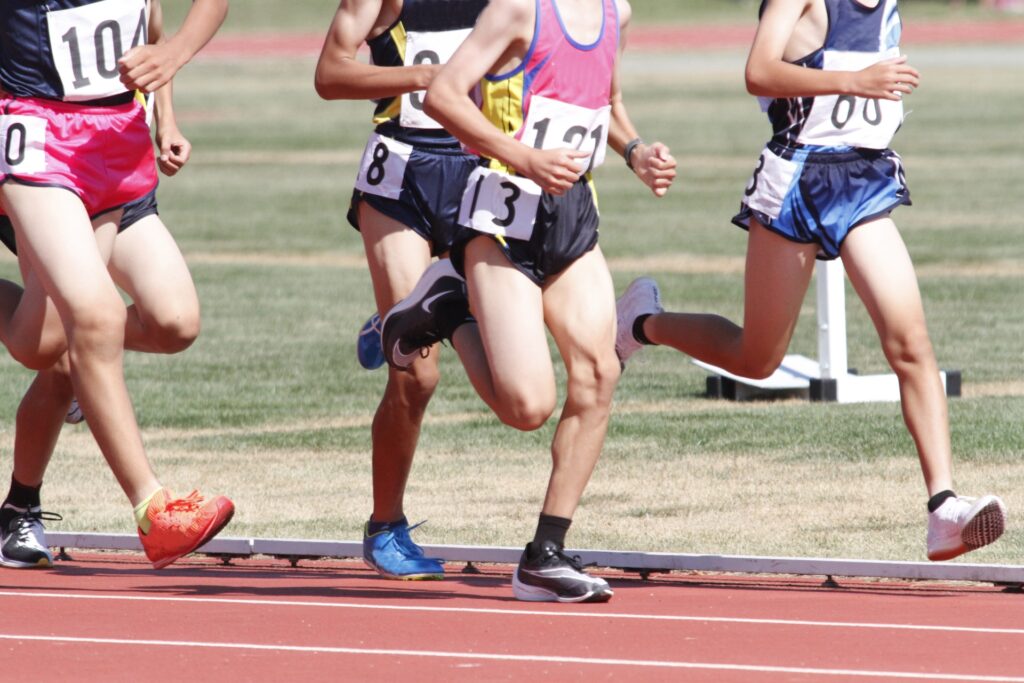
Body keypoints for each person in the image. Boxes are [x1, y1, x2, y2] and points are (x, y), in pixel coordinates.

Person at [615, 0, 1006, 562]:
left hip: (864, 179)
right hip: (797, 179)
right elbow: (758, 70)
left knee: (911, 343)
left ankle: (943, 507)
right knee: (757, 358)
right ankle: (642, 323)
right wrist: (855, 79)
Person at [382, 0, 676, 602]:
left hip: (570, 219)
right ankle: (454, 307)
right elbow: (443, 95)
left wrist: (635, 151)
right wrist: (525, 157)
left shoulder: (616, 15)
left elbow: (605, 107)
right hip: (500, 213)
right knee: (527, 407)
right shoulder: (518, 10)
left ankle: (545, 553)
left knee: (597, 373)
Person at [0, 0, 234, 570]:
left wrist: (167, 97)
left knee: (168, 323)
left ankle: (19, 504)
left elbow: (153, 24)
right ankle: (154, 511)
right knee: (96, 319)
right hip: (40, 141)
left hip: (117, 145)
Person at [314, 0, 489, 580]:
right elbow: (330, 74)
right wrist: (420, 77)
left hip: (483, 177)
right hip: (402, 177)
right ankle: (385, 526)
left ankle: (384, 320)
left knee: (508, 335)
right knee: (417, 374)